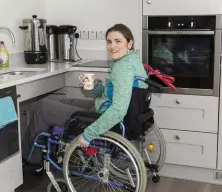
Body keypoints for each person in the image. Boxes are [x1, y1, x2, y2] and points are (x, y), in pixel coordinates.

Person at [22, 23, 147, 164]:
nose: (112, 46)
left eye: (118, 41)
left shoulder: (122, 68)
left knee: (43, 106)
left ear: (129, 43)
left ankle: (32, 160)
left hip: (105, 116)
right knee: (56, 101)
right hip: (105, 109)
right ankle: (45, 152)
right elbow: (112, 95)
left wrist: (88, 134)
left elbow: (118, 110)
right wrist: (96, 86)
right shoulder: (131, 60)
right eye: (109, 41)